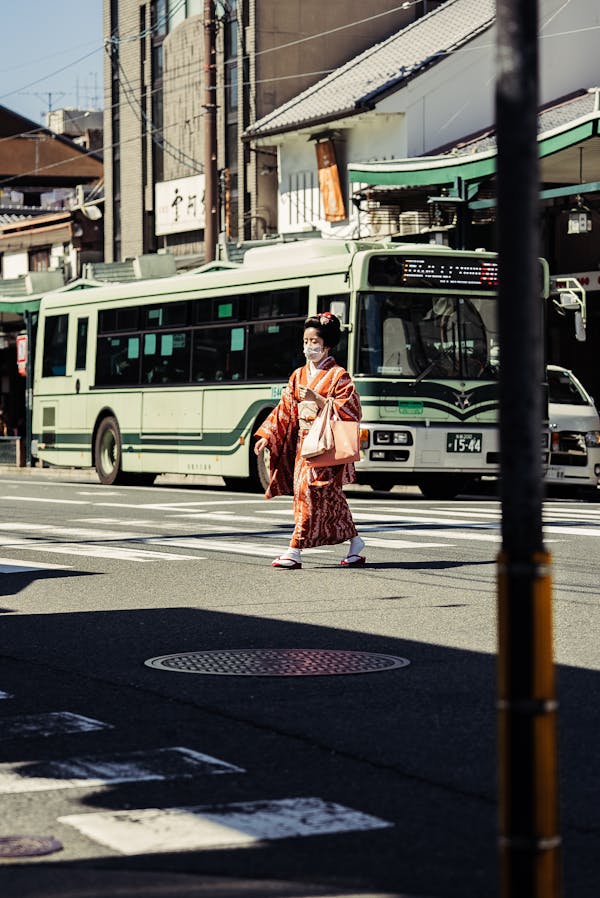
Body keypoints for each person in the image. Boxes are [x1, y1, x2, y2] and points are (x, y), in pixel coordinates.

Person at [254, 311, 365, 569]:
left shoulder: (339, 376)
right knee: (328, 496)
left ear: (327, 344)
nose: (308, 347)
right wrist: (267, 435)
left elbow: (351, 410)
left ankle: (294, 549)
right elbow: (284, 409)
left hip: (325, 444)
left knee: (308, 493)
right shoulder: (297, 375)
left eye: (314, 341)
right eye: (305, 341)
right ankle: (356, 543)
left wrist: (319, 400)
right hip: (304, 443)